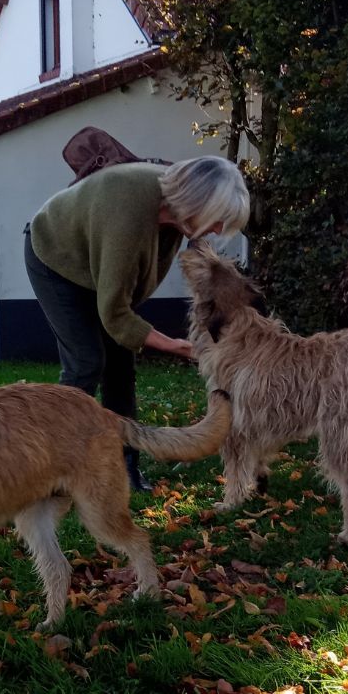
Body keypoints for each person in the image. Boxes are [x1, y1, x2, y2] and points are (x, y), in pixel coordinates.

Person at [24, 155, 250, 491]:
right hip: (57, 258)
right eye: (218, 220)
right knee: (86, 361)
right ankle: (52, 468)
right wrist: (176, 346)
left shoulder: (178, 214)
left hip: (100, 268)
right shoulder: (127, 212)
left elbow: (126, 299)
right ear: (197, 201)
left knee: (120, 366)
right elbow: (114, 312)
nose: (218, 230)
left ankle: (124, 466)